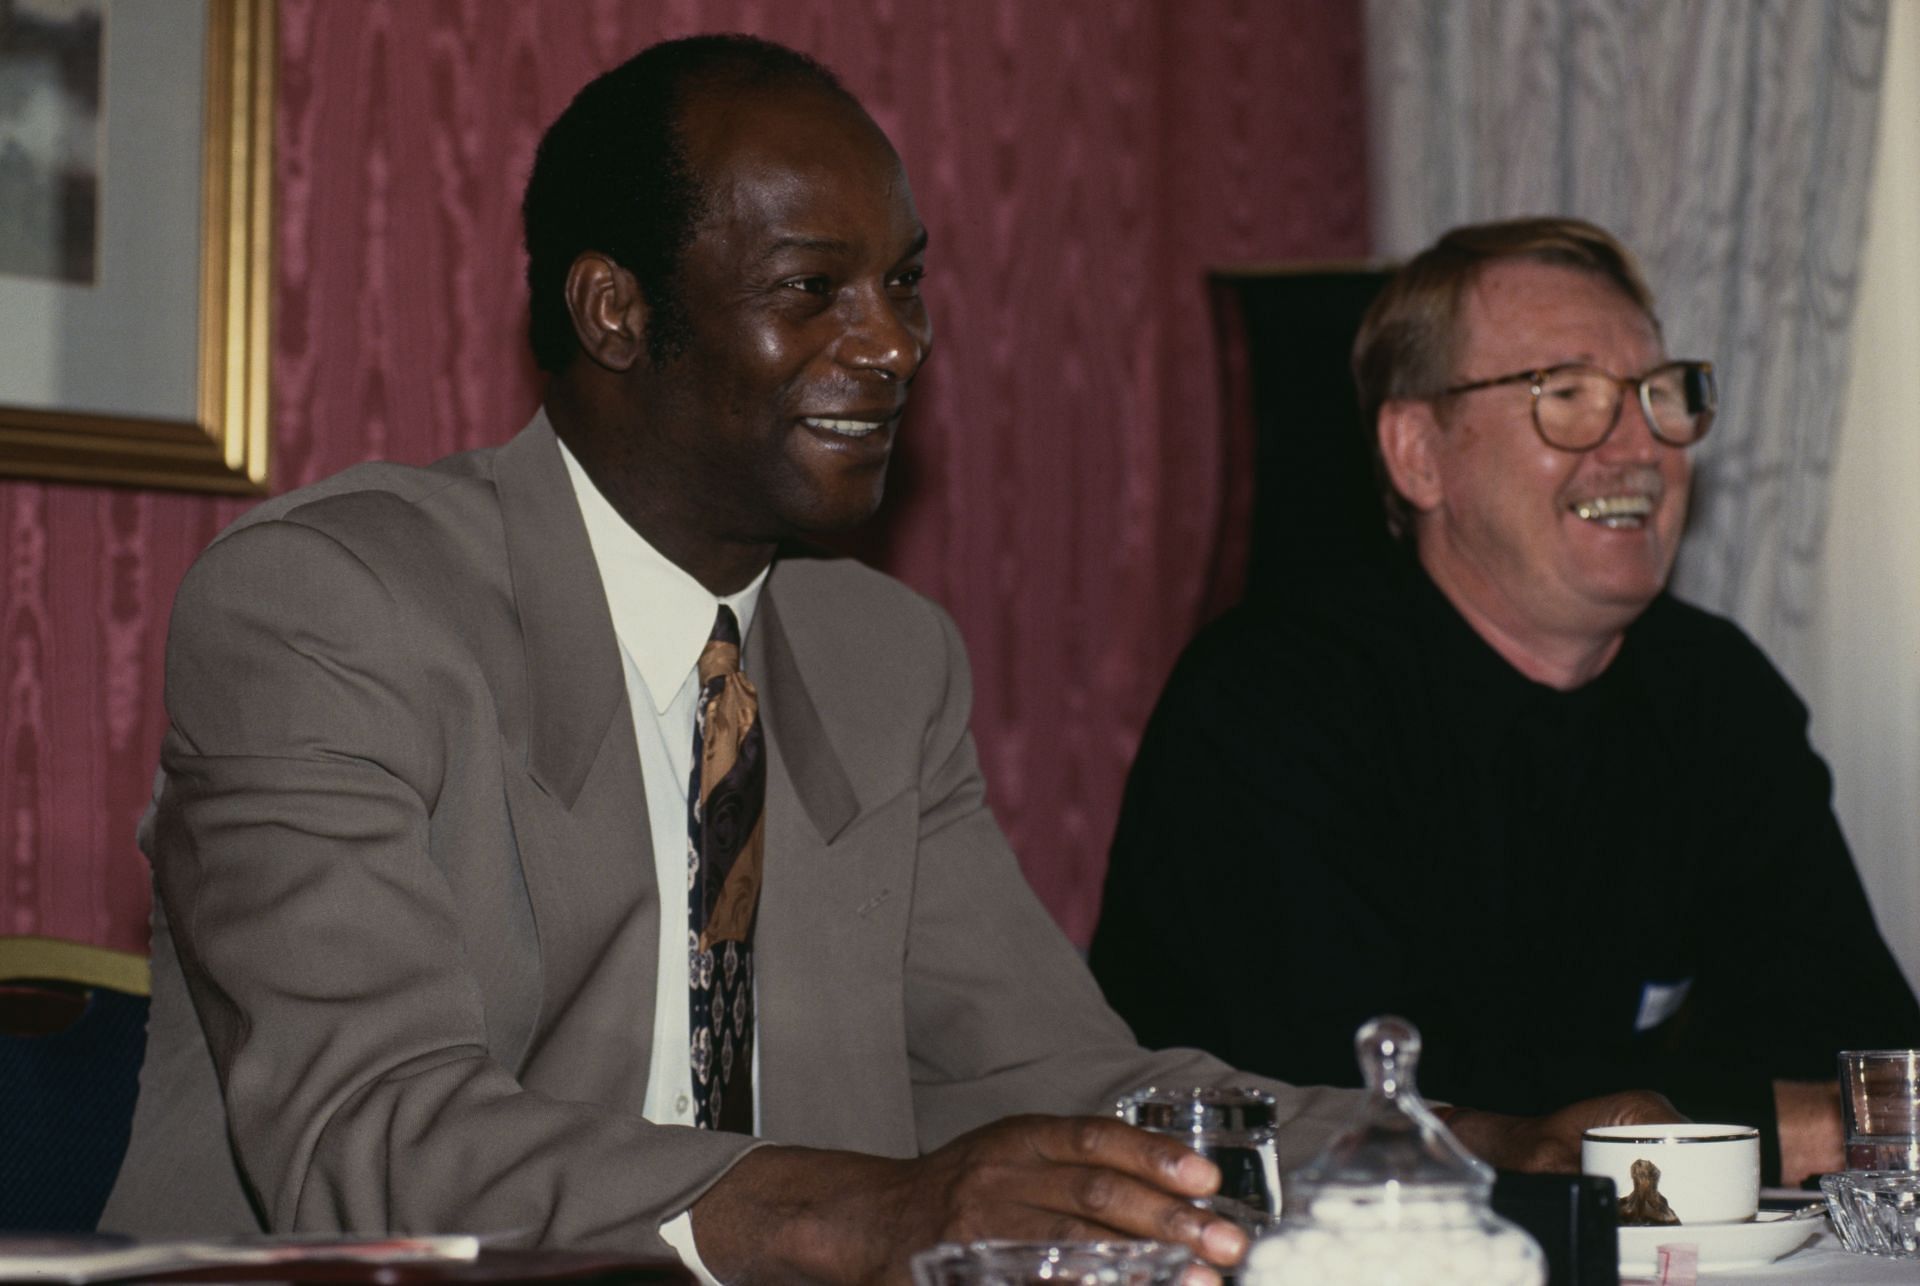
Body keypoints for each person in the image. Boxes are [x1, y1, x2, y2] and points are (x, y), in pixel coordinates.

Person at [103, 46, 1665, 1283]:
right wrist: (865, 1216)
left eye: (906, 282)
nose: (896, 343)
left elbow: (1059, 1074)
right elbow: (369, 1137)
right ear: (616, 311)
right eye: (812, 290)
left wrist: (1467, 1142)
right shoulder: (328, 604)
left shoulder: (879, 652)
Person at [1091, 215, 1920, 1190]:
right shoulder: (1269, 701)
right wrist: (1775, 1121)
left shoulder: (1712, 687)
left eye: (1660, 395)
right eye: (1567, 395)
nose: (1638, 446)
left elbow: (1870, 1064)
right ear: (1418, 453)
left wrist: (1764, 1114)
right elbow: (1359, 1107)